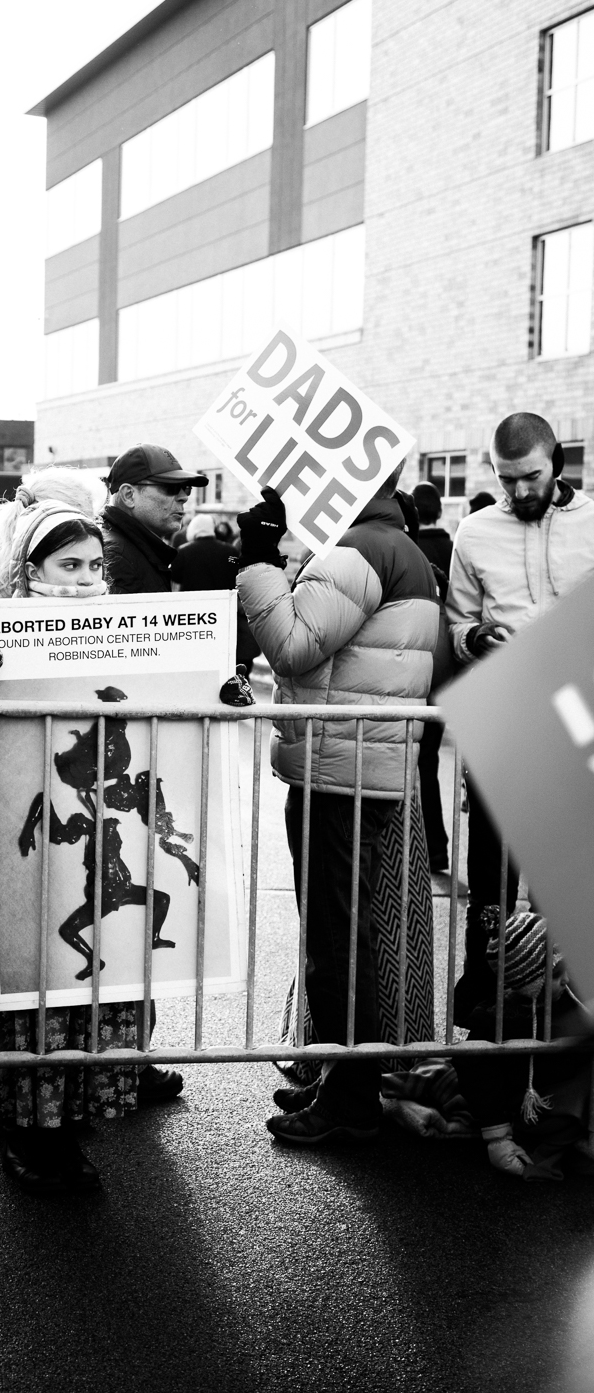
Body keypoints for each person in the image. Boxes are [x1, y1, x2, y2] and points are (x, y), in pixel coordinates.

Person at [0, 479, 137, 1192]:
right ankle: (18, 1127)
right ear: (29, 572)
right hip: (20, 827)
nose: (83, 581)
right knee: (23, 977)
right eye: (67, 567)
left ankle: (70, 1123)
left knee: (88, 982)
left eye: (93, 567)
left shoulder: (133, 635)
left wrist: (217, 692)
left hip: (97, 830)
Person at [236, 467, 440, 1145]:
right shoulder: (394, 542)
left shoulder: (357, 547)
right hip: (357, 764)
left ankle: (349, 1096)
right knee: (342, 932)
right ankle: (342, 1081)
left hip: (340, 772)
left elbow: (293, 645)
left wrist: (259, 570)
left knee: (335, 937)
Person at [446, 412, 594, 1022]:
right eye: (508, 480)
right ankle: (489, 1001)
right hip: (506, 719)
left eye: (530, 476)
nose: (520, 491)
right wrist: (476, 636)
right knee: (492, 873)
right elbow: (455, 623)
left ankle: (574, 1009)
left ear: (557, 461)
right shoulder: (474, 532)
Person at [453, 912, 594, 1182]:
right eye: (556, 975)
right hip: (529, 1104)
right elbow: (476, 1071)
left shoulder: (565, 994)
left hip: (560, 1085)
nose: (566, 980)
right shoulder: (498, 1019)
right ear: (531, 981)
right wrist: (498, 1138)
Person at [410, 481, 454, 873]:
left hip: (413, 668)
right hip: (445, 672)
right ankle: (436, 848)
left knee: (413, 764)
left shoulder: (411, 548)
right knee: (430, 762)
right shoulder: (453, 548)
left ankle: (420, 850)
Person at [101, 445, 208, 594]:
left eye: (186, 487)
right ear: (129, 495)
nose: (184, 497)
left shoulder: (129, 550)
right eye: (171, 487)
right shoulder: (116, 558)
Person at [171, 509, 260, 677]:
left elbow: (174, 579)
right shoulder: (230, 552)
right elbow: (240, 578)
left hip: (194, 620)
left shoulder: (183, 552)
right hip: (225, 617)